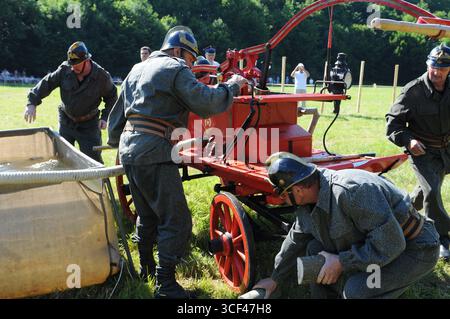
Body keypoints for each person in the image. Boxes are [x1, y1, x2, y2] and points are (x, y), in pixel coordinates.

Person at [107, 26, 247, 298]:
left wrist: (121, 143)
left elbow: (115, 121)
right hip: (154, 150)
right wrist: (233, 85)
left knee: (146, 214)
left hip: (129, 148)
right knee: (178, 220)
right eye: (191, 58)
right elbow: (207, 102)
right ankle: (165, 285)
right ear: (180, 50)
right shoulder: (176, 68)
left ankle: (145, 268)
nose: (191, 64)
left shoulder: (137, 68)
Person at [240, 152, 440, 299]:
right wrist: (275, 278)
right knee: (314, 250)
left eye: (283, 194)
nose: (283, 200)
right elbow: (296, 238)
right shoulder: (310, 195)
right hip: (382, 244)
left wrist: (341, 262)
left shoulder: (352, 191)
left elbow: (391, 244)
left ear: (299, 189)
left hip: (414, 249)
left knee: (355, 291)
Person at [386, 43, 450, 261]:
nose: (437, 71)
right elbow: (392, 125)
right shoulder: (413, 91)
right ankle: (440, 238)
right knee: (432, 192)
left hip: (446, 152)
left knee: (425, 192)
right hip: (422, 152)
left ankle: (397, 213)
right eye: (434, 66)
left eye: (443, 68)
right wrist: (409, 140)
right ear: (427, 64)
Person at [24, 41, 117, 163]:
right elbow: (47, 83)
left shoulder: (101, 76)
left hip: (89, 125)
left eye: (77, 64)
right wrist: (32, 102)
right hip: (66, 121)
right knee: (62, 159)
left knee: (92, 161)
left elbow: (112, 97)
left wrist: (105, 117)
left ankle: (99, 182)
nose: (73, 67)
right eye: (72, 64)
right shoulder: (65, 70)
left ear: (86, 61)